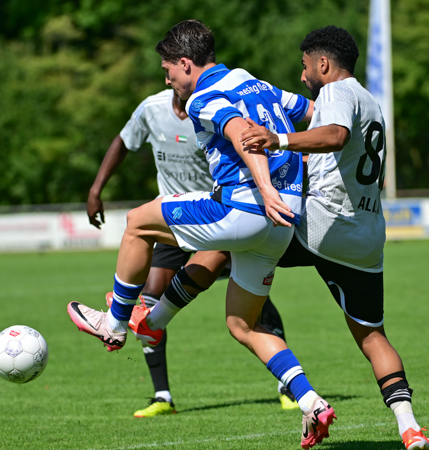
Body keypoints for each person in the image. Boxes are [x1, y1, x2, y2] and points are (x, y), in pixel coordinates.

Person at [140, 25, 429, 450]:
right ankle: (410, 428)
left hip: (322, 226)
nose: (303, 76)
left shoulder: (336, 93)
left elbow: (334, 136)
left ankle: (153, 320)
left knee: (228, 241)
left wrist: (276, 138)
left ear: (324, 64)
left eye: (305, 67)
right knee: (373, 336)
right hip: (366, 236)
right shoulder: (371, 102)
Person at [67, 19, 335, 449]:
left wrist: (265, 189)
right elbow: (313, 112)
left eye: (167, 69)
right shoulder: (252, 81)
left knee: (137, 222)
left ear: (186, 63)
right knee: (242, 325)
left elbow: (241, 134)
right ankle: (312, 403)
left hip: (247, 208)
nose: (167, 79)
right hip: (280, 225)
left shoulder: (202, 96)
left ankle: (114, 323)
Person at [85, 88, 299, 415]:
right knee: (148, 300)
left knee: (254, 303)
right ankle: (162, 396)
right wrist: (95, 189)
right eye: (167, 72)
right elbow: (123, 141)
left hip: (217, 216)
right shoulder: (151, 108)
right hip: (174, 218)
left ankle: (287, 388)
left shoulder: (214, 108)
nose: (173, 79)